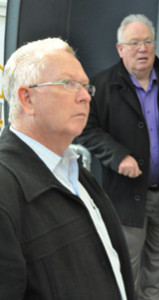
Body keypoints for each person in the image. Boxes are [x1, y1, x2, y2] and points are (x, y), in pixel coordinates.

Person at [0, 37, 135, 300]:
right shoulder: (5, 189)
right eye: (68, 84)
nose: (85, 96)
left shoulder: (73, 170)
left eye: (85, 86)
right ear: (27, 99)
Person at [78, 14, 159, 300]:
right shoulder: (102, 85)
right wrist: (118, 156)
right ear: (120, 49)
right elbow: (86, 129)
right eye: (134, 43)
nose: (142, 48)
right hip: (126, 195)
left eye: (147, 41)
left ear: (154, 45)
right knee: (125, 265)